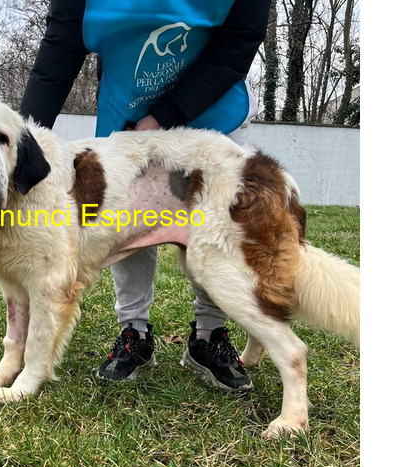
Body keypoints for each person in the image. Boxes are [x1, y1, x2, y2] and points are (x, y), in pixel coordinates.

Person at [20, 0, 271, 391]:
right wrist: (21, 144)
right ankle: (133, 331)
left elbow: (238, 41)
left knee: (215, 230)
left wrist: (164, 116)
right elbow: (58, 55)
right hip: (128, 101)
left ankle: (209, 335)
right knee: (124, 219)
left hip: (212, 101)